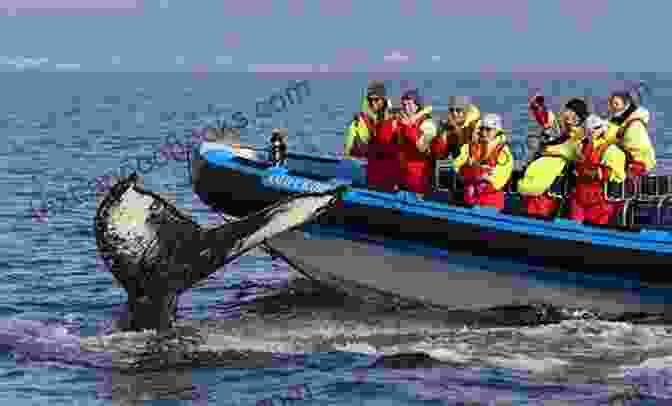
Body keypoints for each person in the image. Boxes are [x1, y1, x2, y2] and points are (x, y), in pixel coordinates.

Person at [517, 98, 590, 218]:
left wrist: (549, 150)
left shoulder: (579, 137)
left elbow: (571, 152)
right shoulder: (562, 132)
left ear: (578, 117)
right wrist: (539, 109)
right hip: (540, 178)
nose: (566, 114)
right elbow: (548, 125)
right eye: (567, 111)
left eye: (571, 113)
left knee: (537, 210)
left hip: (553, 182)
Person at [567, 114, 627, 225]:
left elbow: (618, 176)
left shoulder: (611, 150)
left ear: (603, 129)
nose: (592, 131)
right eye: (588, 129)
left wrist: (597, 173)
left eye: (596, 128)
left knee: (596, 227)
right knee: (574, 227)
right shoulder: (581, 146)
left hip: (599, 200)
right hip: (579, 197)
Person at [343, 80, 400, 192]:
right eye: (370, 99)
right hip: (373, 174)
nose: (373, 103)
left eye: (377, 99)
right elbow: (353, 150)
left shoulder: (395, 118)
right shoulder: (363, 120)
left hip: (391, 175)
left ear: (383, 99)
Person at [452, 113, 513, 210]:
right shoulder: (469, 147)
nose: (484, 132)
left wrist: (475, 172)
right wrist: (470, 170)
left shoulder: (504, 153)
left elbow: (497, 181)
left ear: (497, 131)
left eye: (488, 129)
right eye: (482, 129)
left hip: (490, 204)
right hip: (468, 200)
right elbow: (456, 166)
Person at [604, 90, 656, 178]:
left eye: (616, 104)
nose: (613, 107)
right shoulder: (616, 120)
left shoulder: (634, 123)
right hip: (620, 162)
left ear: (626, 104)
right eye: (611, 103)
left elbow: (640, 148)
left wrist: (637, 165)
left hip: (636, 164)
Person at [396, 89, 437, 195]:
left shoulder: (428, 124)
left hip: (420, 181)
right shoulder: (400, 123)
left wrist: (409, 127)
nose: (406, 108)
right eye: (404, 105)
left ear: (417, 105)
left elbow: (422, 147)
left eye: (410, 104)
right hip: (403, 179)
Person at [430, 96, 481, 160]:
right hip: (446, 165)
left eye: (458, 110)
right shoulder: (444, 128)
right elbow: (436, 153)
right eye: (451, 110)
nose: (454, 113)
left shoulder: (472, 129)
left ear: (465, 112)